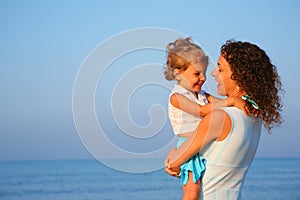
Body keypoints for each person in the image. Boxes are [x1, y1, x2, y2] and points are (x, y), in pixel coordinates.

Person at [164, 40, 283, 199]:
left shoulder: (220, 117)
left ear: (239, 76)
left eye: (220, 69)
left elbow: (173, 164)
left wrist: (173, 156)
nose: (212, 74)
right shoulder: (253, 116)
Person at [164, 37, 247, 200]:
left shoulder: (201, 95)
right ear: (178, 73)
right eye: (196, 73)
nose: (203, 78)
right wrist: (231, 100)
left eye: (203, 72)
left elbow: (221, 105)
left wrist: (240, 102)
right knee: (191, 193)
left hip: (200, 144)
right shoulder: (177, 97)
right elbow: (201, 111)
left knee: (205, 189)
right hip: (187, 146)